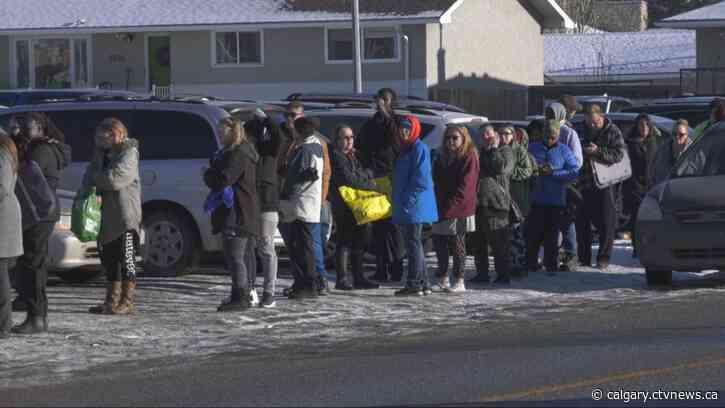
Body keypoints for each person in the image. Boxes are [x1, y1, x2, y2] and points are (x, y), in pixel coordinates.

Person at [11, 112, 71, 334]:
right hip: (42, 211)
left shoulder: (41, 150)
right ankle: (36, 313)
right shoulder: (45, 147)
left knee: (33, 264)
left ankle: (36, 316)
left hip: (38, 212)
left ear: (37, 127)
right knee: (35, 263)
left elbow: (26, 178)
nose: (20, 130)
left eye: (24, 127)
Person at [81, 118, 141, 315]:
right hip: (104, 216)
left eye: (112, 134)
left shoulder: (129, 153)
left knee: (128, 258)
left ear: (121, 134)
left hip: (125, 217)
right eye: (103, 135)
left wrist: (96, 178)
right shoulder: (100, 155)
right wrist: (96, 178)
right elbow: (87, 178)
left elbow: (114, 180)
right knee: (110, 259)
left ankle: (127, 300)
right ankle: (111, 300)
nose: (107, 138)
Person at [204, 118, 260, 312]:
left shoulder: (238, 154)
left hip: (237, 212)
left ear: (232, 132)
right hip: (241, 211)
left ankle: (240, 296)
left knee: (235, 256)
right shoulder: (238, 152)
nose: (219, 135)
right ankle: (241, 293)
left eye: (222, 132)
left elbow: (224, 179)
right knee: (239, 256)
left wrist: (209, 174)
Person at [277, 101, 332, 296]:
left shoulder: (309, 146)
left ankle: (314, 282)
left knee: (308, 247)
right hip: (297, 205)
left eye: (293, 116)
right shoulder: (293, 143)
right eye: (287, 116)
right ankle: (302, 282)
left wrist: (320, 199)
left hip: (304, 204)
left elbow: (321, 174)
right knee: (297, 247)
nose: (289, 120)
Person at [357, 88, 405, 283]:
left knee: (395, 228)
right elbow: (361, 145)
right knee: (379, 227)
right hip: (375, 179)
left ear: (392, 102)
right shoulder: (371, 123)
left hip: (392, 178)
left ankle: (397, 268)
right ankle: (381, 268)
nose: (381, 103)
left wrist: (386, 114)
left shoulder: (397, 122)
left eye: (385, 100)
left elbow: (396, 140)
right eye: (379, 99)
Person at [329, 124, 380, 290]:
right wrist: (369, 184)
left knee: (360, 239)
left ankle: (359, 277)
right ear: (337, 140)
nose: (349, 141)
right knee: (344, 240)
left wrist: (364, 178)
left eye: (351, 137)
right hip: (343, 206)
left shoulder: (354, 155)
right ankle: (342, 278)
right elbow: (348, 179)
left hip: (358, 204)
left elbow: (366, 172)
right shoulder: (336, 156)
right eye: (345, 137)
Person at [392, 115, 438, 296]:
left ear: (414, 130)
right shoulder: (405, 149)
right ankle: (423, 283)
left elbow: (421, 180)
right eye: (401, 128)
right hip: (408, 204)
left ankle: (413, 283)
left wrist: (407, 201)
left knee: (413, 244)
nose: (403, 131)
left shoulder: (419, 148)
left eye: (407, 128)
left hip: (413, 205)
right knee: (415, 243)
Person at [575, 105, 625, 271]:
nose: (593, 125)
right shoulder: (580, 130)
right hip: (584, 182)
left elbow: (619, 154)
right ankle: (584, 259)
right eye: (589, 122)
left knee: (606, 223)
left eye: (596, 122)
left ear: (601, 117)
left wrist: (598, 152)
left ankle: (603, 258)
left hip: (605, 183)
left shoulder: (612, 131)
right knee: (582, 223)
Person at [526, 120, 579, 274]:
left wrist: (554, 172)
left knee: (552, 235)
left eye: (553, 136)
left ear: (557, 135)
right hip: (536, 199)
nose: (550, 139)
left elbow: (574, 171)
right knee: (533, 234)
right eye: (547, 136)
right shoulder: (533, 148)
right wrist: (535, 171)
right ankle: (530, 263)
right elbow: (525, 166)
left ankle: (551, 264)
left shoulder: (564, 150)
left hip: (556, 201)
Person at [432, 124, 479, 292]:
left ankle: (459, 279)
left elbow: (466, 187)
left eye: (455, 138)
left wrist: (450, 207)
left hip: (460, 208)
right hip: (440, 206)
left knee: (457, 244)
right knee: (439, 242)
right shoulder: (440, 156)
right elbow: (436, 181)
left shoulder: (469, 156)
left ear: (463, 139)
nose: (450, 141)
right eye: (448, 138)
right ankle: (443, 277)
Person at [470, 125, 514, 285]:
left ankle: (503, 275)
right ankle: (482, 273)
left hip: (497, 203)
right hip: (478, 202)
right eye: (482, 135)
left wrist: (494, 149)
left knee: (498, 243)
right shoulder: (479, 153)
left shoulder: (505, 151)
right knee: (478, 242)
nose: (486, 137)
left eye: (488, 133)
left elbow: (501, 168)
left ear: (495, 134)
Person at [245, 111, 281, 308]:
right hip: (249, 205)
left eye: (250, 136)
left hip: (267, 205)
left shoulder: (269, 152)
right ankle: (250, 290)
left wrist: (266, 119)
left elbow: (279, 136)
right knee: (248, 249)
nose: (248, 140)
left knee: (266, 248)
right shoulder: (245, 154)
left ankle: (269, 292)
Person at [545, 102, 583, 272]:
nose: (549, 116)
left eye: (552, 113)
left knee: (566, 222)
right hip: (546, 184)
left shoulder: (569, 133)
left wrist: (559, 168)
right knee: (548, 222)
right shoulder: (543, 129)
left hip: (564, 183)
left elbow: (577, 161)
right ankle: (550, 256)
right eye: (548, 113)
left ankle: (571, 256)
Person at [623, 113, 661, 257]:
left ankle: (651, 245)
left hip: (651, 185)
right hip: (635, 186)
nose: (643, 128)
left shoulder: (653, 142)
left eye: (646, 125)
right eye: (640, 125)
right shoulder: (631, 143)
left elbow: (656, 162)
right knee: (637, 218)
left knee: (651, 219)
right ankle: (637, 247)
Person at [501, 125, 534, 278]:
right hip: (502, 198)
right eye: (500, 133)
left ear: (513, 136)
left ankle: (519, 266)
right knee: (506, 235)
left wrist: (509, 173)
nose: (503, 136)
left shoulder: (519, 150)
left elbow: (527, 170)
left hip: (518, 198)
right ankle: (507, 265)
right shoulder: (498, 149)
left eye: (506, 134)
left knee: (517, 235)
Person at [0, 130, 23, 339]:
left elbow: (2, 187)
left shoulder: (2, 153)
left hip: (3, 220)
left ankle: (3, 326)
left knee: (1, 275)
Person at [651, 119, 692, 186]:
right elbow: (655, 172)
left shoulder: (694, 151)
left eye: (681, 135)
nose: (677, 137)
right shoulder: (662, 150)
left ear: (687, 135)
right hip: (664, 190)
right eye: (674, 134)